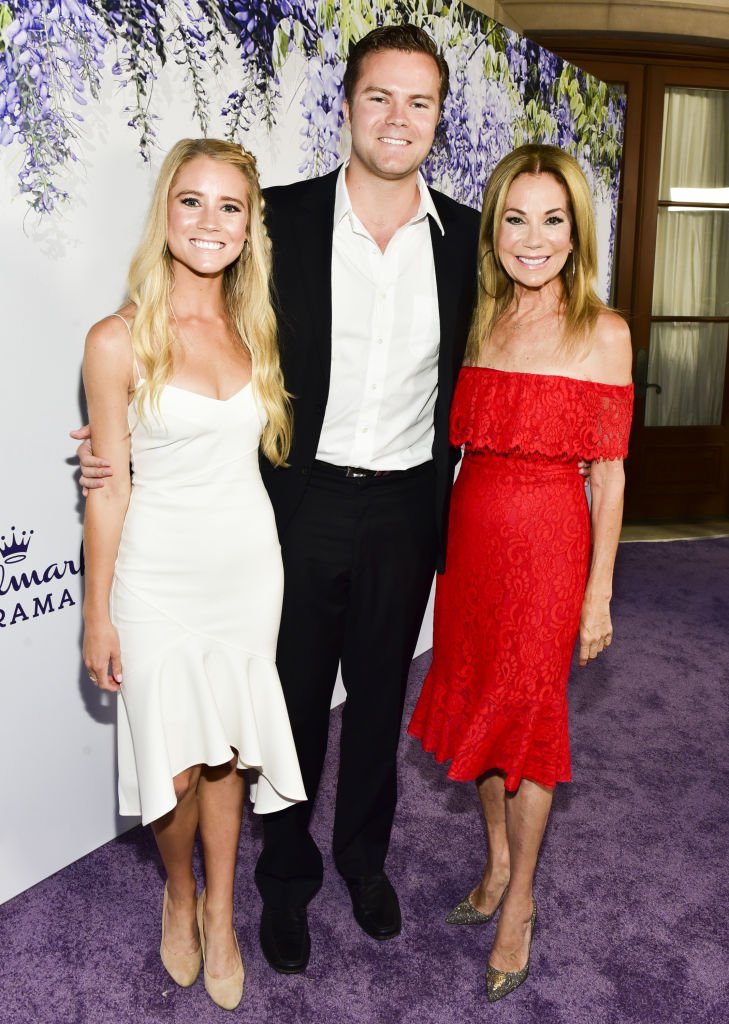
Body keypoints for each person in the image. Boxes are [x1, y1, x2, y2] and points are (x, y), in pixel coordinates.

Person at [77, 24, 481, 974]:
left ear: (437, 119)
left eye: (418, 102)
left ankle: (364, 864)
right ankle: (283, 884)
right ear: (344, 107)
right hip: (293, 508)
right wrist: (112, 448)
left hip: (405, 511)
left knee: (379, 700)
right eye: (377, 96)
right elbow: (185, 334)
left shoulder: (467, 239)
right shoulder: (279, 222)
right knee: (279, 712)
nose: (396, 118)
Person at [81, 138, 305, 1009]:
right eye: (191, 202)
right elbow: (109, 491)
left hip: (247, 569)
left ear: (251, 227)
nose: (209, 222)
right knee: (171, 765)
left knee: (228, 755)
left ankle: (221, 908)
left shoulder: (257, 329)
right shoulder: (116, 339)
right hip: (154, 575)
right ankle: (178, 889)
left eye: (229, 206)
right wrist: (96, 614)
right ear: (164, 214)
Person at [408, 144, 633, 1001]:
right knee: (482, 709)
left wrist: (598, 591)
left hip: (549, 550)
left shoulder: (603, 332)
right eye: (514, 218)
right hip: (471, 548)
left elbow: (608, 474)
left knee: (530, 725)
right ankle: (497, 862)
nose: (531, 239)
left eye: (551, 221)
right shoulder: (479, 318)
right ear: (493, 226)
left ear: (575, 234)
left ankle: (521, 902)